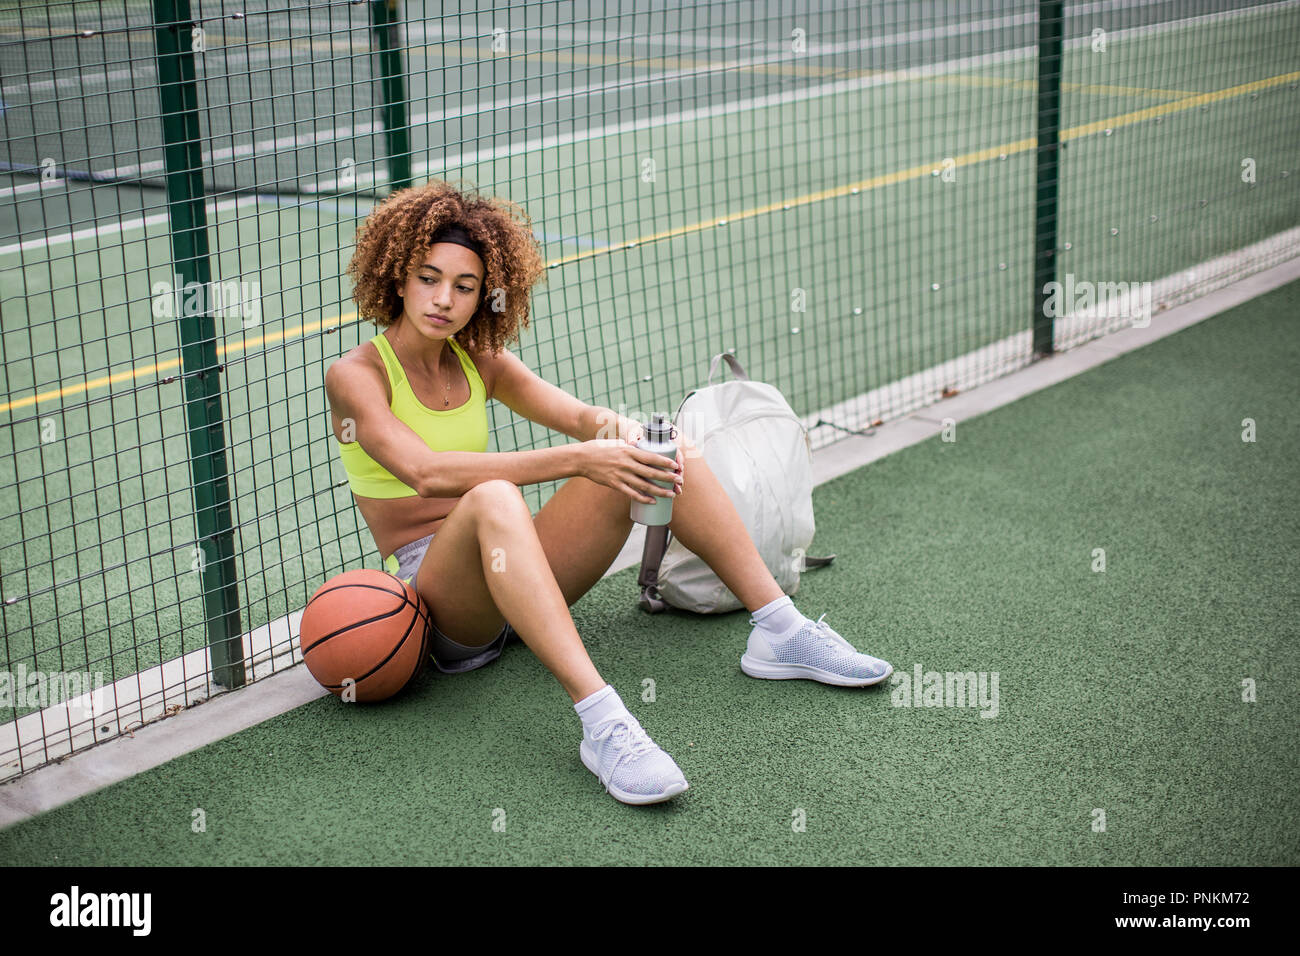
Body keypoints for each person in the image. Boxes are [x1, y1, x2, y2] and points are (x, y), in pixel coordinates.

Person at [326, 179, 892, 805]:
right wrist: (582, 458)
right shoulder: (356, 376)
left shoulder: (478, 357)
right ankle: (604, 724)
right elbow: (426, 472)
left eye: (464, 287)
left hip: (520, 571)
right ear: (398, 276)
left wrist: (639, 437)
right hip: (443, 606)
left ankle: (779, 631)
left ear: (484, 294)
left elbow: (582, 418)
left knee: (655, 443)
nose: (444, 300)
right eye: (428, 278)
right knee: (493, 496)